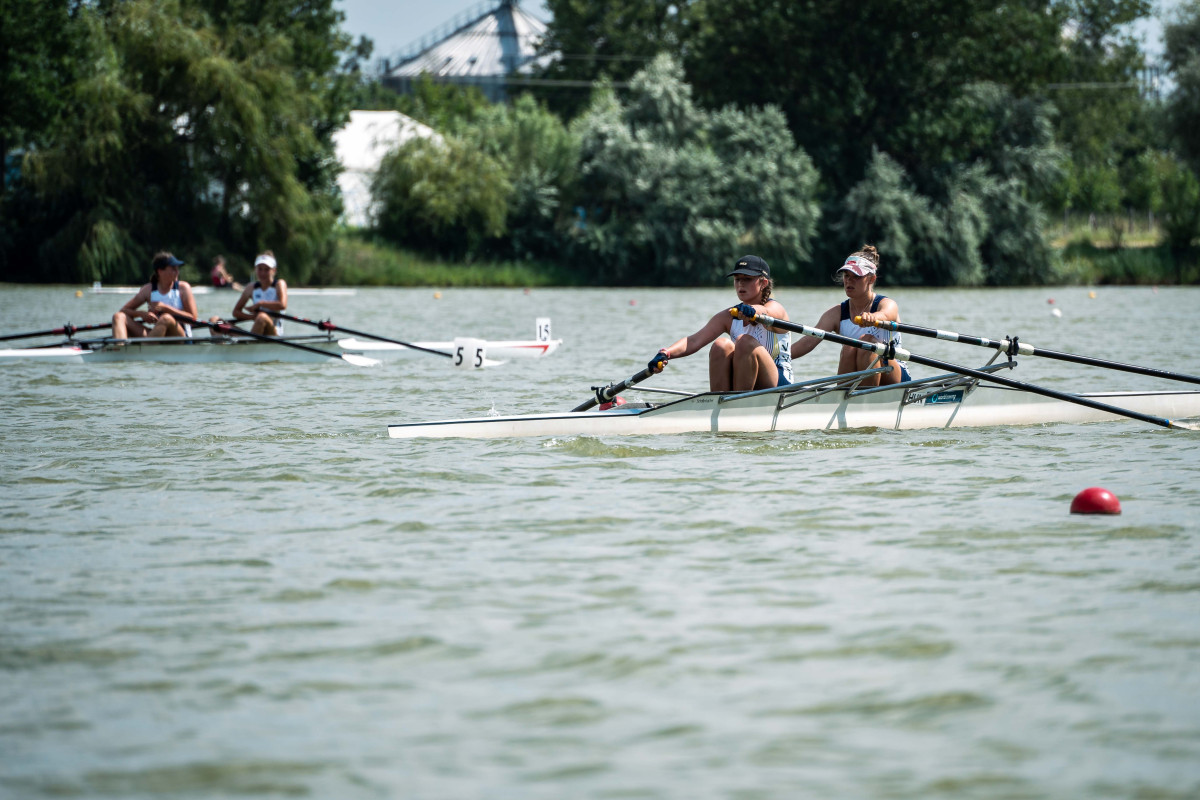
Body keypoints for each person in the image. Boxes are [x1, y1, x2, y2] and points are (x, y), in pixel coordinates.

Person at [650, 255, 792, 391]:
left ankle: (738, 400)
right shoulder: (730, 316)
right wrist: (666, 353)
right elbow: (694, 341)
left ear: (763, 283)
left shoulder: (775, 308)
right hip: (745, 381)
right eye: (737, 279)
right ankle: (720, 400)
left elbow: (766, 312)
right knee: (721, 345)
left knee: (744, 341)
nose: (741, 284)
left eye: (747, 279)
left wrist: (753, 310)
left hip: (778, 381)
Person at [789, 244, 911, 386]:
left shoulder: (886, 304)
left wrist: (873, 318)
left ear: (871, 279)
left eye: (856, 276)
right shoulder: (836, 313)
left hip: (895, 375)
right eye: (847, 275)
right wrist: (779, 357)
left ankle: (864, 396)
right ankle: (844, 395)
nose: (849, 281)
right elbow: (808, 342)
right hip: (861, 373)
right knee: (849, 346)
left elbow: (885, 314)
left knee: (867, 341)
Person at [112, 252, 199, 339]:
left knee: (166, 318)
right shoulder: (148, 289)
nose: (177, 272)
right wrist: (141, 314)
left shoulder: (183, 288)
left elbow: (193, 319)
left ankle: (147, 344)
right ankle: (120, 346)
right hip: (157, 335)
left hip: (180, 335)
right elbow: (124, 310)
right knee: (118, 316)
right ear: (160, 271)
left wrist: (166, 308)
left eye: (177, 269)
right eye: (173, 269)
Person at [229, 251, 288, 335]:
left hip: (274, 332)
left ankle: (249, 341)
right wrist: (252, 317)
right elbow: (236, 312)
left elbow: (282, 305)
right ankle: (244, 340)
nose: (263, 273)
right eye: (260, 269)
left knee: (262, 317)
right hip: (256, 333)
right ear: (255, 269)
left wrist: (260, 304)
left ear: (274, 270)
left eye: (267, 269)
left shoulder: (279, 284)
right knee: (216, 322)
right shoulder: (251, 287)